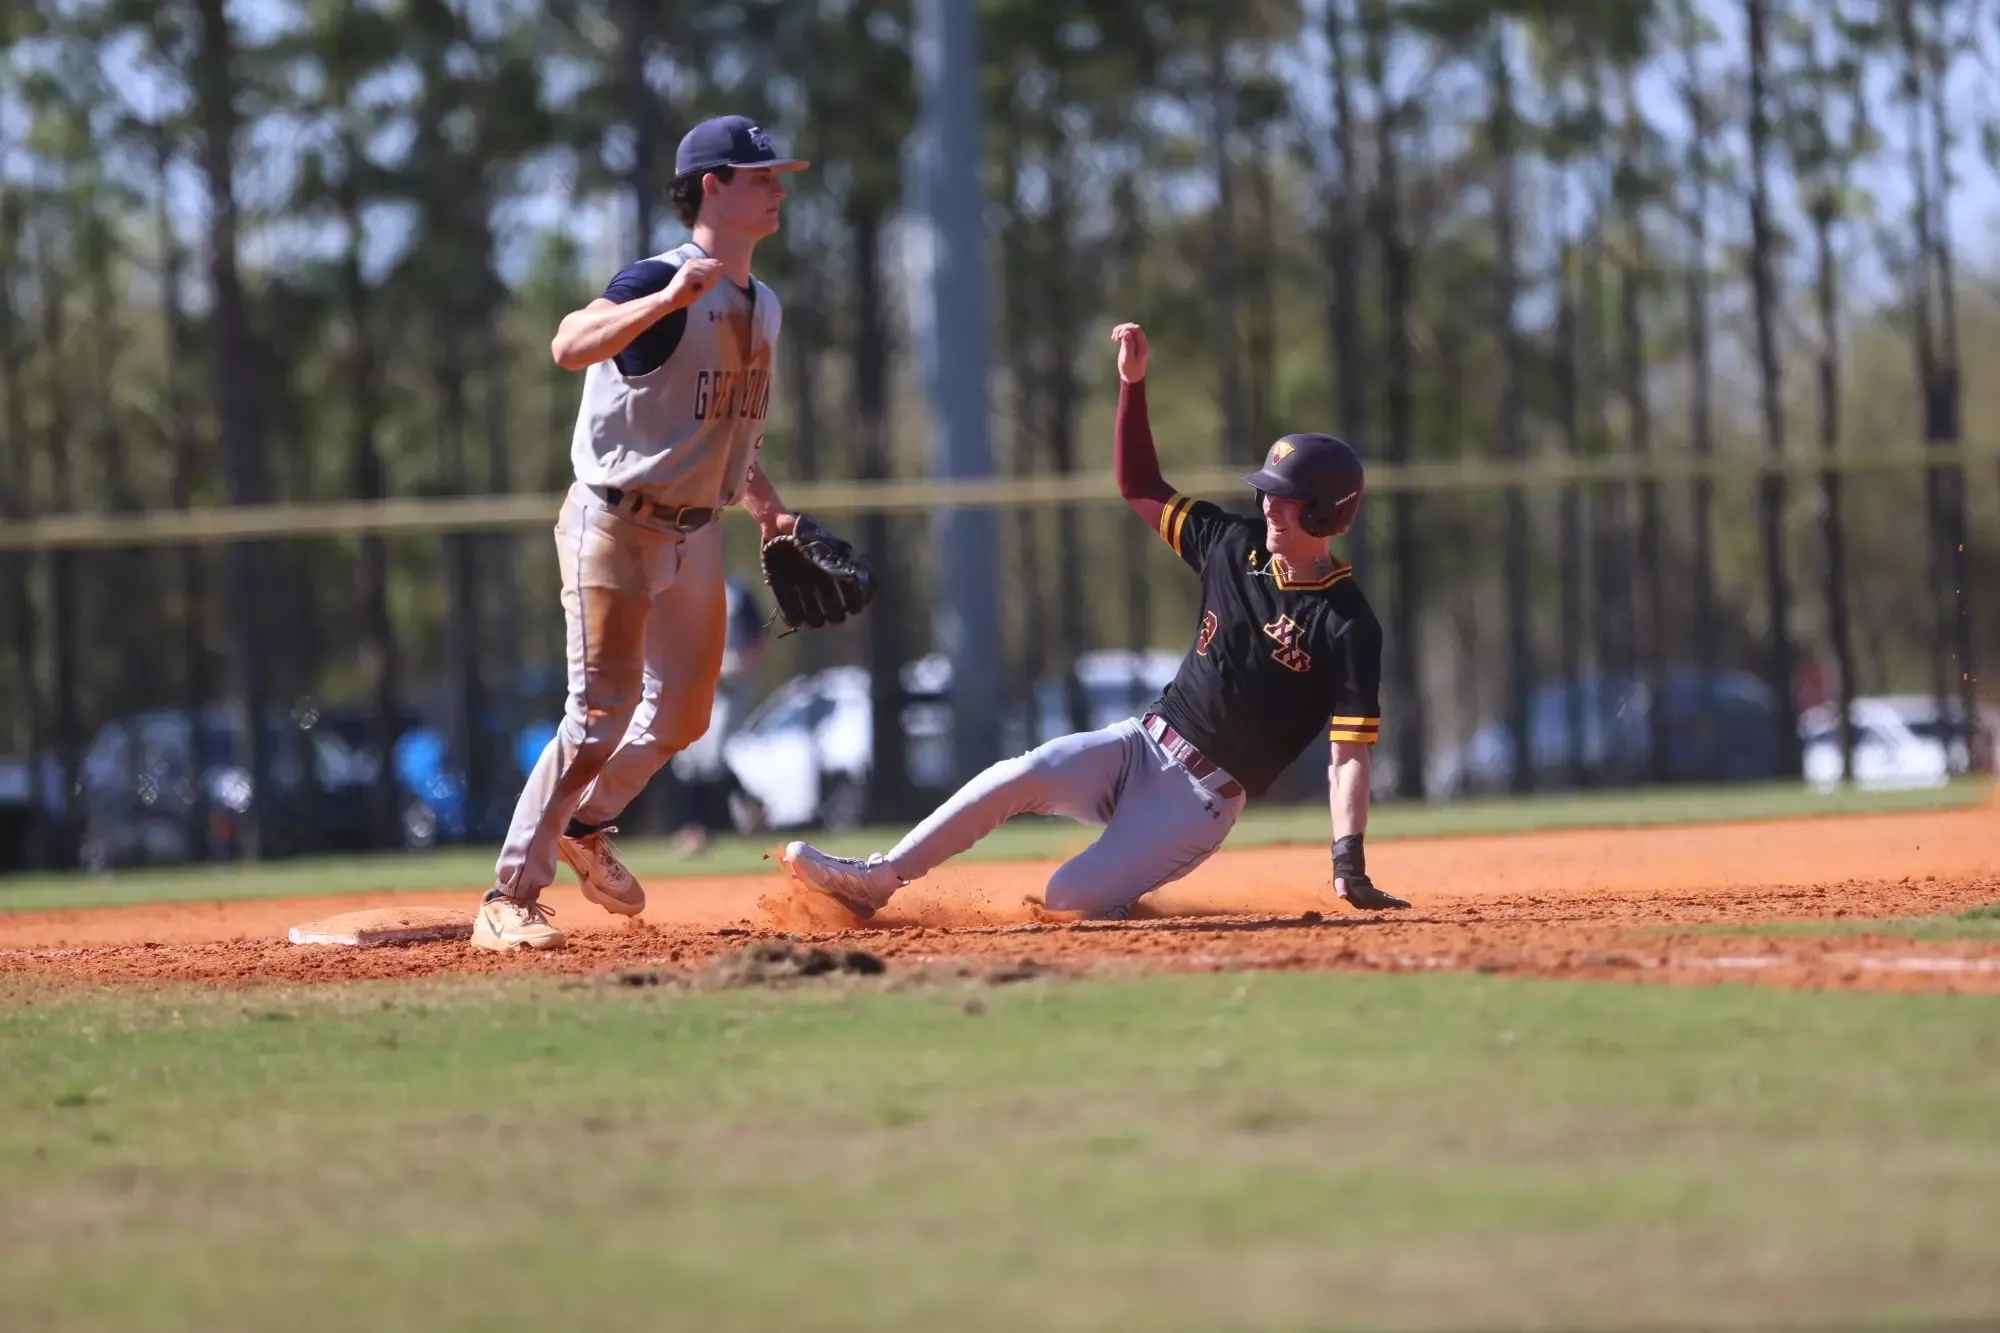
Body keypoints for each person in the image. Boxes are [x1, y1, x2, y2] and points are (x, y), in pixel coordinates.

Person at [781, 322, 1409, 921]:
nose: (1270, 504)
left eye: (1288, 498)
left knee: (1066, 899)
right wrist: (1131, 386)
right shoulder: (1230, 544)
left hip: (1200, 802)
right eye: (1267, 491)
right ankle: (877, 880)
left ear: (1327, 515)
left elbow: (1348, 753)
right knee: (1016, 774)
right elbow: (1138, 484)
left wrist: (1346, 859)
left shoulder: (1345, 622)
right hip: (1139, 743)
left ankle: (1114, 892)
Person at [476, 116, 863, 951]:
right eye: (761, 176)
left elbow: (731, 428)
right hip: (614, 522)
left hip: (695, 535)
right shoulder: (660, 278)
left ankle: (586, 823)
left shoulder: (764, 306)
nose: (779, 187)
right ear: (712, 186)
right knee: (598, 713)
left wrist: (770, 510)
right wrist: (660, 302)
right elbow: (568, 343)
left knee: (683, 715)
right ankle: (508, 896)